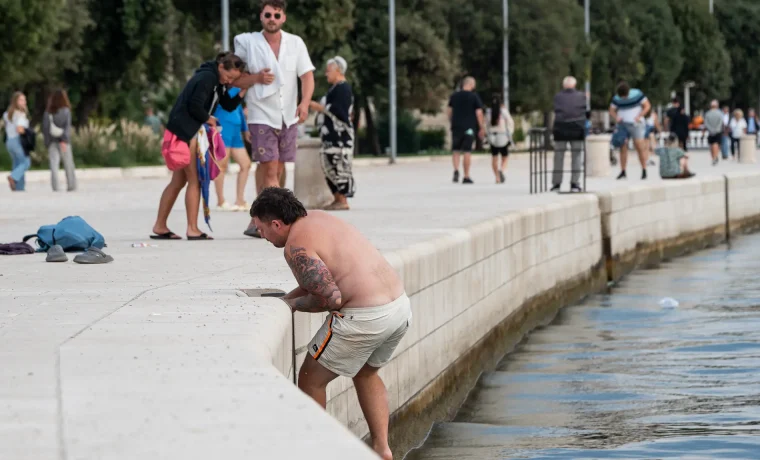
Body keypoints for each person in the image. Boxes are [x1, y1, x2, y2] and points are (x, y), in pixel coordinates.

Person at [250, 187, 410, 460]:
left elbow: (329, 297)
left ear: (276, 224)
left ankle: (319, 453)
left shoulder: (295, 246)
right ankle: (382, 449)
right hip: (398, 308)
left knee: (311, 380)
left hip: (365, 317)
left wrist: (289, 306)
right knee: (365, 373)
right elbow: (321, 279)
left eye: (261, 229)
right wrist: (289, 297)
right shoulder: (318, 218)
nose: (260, 235)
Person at [233, 0, 315, 237]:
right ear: (261, 16)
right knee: (270, 169)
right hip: (261, 114)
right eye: (267, 14)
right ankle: (280, 220)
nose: (272, 19)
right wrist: (256, 78)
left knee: (276, 167)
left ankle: (256, 221)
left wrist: (305, 103)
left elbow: (307, 76)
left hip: (287, 115)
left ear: (283, 18)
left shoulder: (296, 43)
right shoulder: (248, 43)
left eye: (276, 15)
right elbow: (235, 79)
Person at [150, 52, 245, 241]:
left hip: (185, 131)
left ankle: (160, 226)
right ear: (221, 67)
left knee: (178, 181)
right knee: (195, 181)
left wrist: (244, 89)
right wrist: (209, 119)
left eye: (234, 79)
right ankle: (192, 229)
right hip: (187, 132)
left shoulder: (217, 81)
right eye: (229, 76)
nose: (229, 81)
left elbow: (227, 104)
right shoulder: (207, 78)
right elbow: (195, 106)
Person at [310, 56, 355, 210]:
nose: (326, 74)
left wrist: (320, 108)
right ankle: (337, 198)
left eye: (329, 71)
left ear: (338, 71)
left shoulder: (343, 88)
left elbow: (339, 112)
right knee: (328, 165)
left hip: (340, 138)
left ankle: (342, 199)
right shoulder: (334, 89)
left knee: (338, 166)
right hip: (331, 138)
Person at [213, 86, 252, 212]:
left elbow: (238, 107)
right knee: (222, 165)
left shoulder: (238, 89)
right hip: (224, 126)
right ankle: (221, 201)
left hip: (236, 129)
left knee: (245, 164)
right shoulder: (224, 88)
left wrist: (245, 129)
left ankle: (240, 200)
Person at [609, 81, 651, 180]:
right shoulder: (616, 98)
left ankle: (644, 169)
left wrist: (640, 115)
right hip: (623, 124)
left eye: (625, 96)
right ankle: (623, 171)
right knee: (622, 147)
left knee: (639, 146)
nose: (624, 98)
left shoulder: (637, 94)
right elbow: (611, 110)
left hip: (636, 123)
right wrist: (616, 117)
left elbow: (647, 106)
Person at [551, 76, 586, 192]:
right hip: (577, 128)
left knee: (558, 156)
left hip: (560, 128)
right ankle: (575, 183)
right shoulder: (582, 96)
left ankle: (556, 183)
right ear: (575, 85)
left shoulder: (557, 97)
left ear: (564, 85)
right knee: (576, 156)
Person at [447, 76, 485, 184]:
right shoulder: (474, 97)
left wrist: (452, 122)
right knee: (467, 151)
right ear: (471, 84)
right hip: (469, 128)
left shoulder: (454, 96)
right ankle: (466, 176)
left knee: (456, 150)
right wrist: (481, 127)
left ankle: (455, 170)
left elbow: (449, 111)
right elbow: (479, 113)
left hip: (456, 127)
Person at [42, 89, 77, 191]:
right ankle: (71, 185)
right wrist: (64, 140)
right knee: (68, 164)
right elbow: (67, 127)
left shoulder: (47, 113)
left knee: (54, 165)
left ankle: (55, 186)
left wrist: (47, 142)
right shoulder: (66, 111)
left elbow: (45, 128)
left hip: (52, 141)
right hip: (64, 142)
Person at [3, 92, 31, 191]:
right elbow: (19, 129)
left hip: (9, 142)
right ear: (15, 101)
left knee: (17, 163)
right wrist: (27, 132)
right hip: (17, 141)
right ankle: (13, 177)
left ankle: (19, 187)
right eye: (21, 100)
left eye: (25, 100)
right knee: (26, 162)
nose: (24, 102)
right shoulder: (20, 114)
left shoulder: (6, 114)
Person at [486, 94, 514, 184]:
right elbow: (510, 122)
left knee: (494, 157)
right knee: (505, 157)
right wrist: (510, 133)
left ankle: (497, 178)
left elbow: (486, 124)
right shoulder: (503, 111)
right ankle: (501, 170)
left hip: (492, 137)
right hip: (502, 137)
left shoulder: (488, 112)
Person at [703, 100, 724, 166]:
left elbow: (706, 123)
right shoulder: (720, 113)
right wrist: (716, 129)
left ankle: (713, 157)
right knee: (716, 144)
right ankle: (715, 157)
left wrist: (710, 129)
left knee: (711, 144)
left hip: (710, 131)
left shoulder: (707, 113)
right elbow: (721, 122)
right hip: (718, 131)